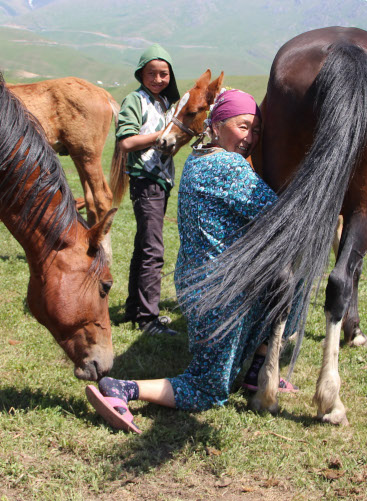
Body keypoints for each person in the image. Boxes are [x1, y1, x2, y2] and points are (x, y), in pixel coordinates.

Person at [86, 89, 298, 433]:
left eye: (256, 130)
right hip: (222, 297)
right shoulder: (228, 166)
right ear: (215, 125)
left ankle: (255, 371)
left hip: (196, 289)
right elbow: (280, 218)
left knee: (284, 282)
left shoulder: (197, 159)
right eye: (243, 127)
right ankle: (123, 389)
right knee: (208, 389)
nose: (250, 138)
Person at [117, 44, 181, 336]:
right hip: (145, 180)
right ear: (141, 74)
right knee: (153, 250)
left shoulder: (164, 103)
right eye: (151, 73)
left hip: (160, 181)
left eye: (163, 74)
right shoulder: (135, 100)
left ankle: (134, 310)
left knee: (144, 246)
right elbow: (126, 142)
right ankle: (148, 319)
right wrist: (161, 135)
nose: (158, 79)